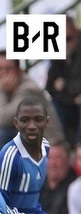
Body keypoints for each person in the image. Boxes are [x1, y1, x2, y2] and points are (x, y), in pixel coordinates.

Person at [0, 50, 64, 168]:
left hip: (46, 143)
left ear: (18, 70)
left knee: (0, 135)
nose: (4, 74)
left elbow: (2, 120)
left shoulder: (29, 89)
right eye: (0, 69)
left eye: (8, 69)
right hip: (23, 138)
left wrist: (1, 91)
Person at [45, 15, 81, 149]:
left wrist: (64, 85)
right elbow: (50, 87)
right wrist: (72, 98)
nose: (65, 44)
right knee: (51, 106)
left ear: (76, 34)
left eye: (68, 39)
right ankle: (61, 149)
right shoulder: (57, 55)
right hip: (68, 102)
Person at [39, 141, 75, 214]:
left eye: (58, 158)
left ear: (68, 160)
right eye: (49, 158)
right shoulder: (37, 185)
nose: (53, 164)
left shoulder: (75, 188)